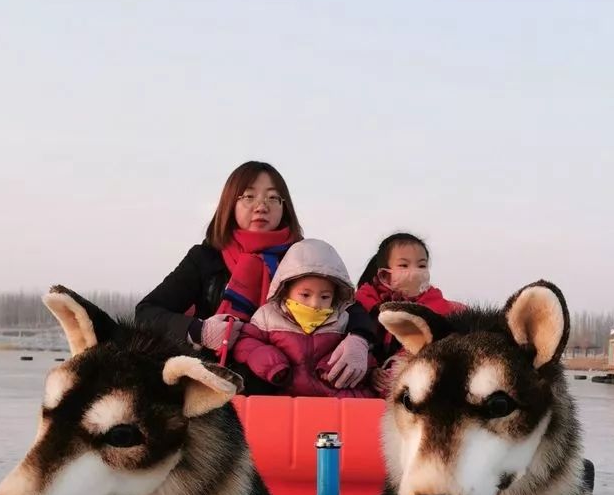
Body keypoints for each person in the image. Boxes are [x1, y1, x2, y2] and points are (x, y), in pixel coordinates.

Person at [136, 161, 373, 389]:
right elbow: (146, 313)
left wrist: (359, 340)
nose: (261, 206)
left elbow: (349, 305)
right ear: (230, 203)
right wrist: (199, 331)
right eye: (249, 196)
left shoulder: (303, 258)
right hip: (216, 387)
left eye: (272, 197)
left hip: (290, 385)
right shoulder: (205, 258)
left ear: (284, 207)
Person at [232, 239, 376, 398]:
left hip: (331, 405)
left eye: (325, 296)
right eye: (305, 295)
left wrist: (369, 373)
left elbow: (361, 361)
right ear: (285, 290)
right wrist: (270, 362)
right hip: (281, 405)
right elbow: (246, 342)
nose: (315, 304)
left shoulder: (341, 320)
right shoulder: (268, 316)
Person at [355, 232, 465, 393]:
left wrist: (397, 371)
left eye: (421, 266)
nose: (414, 272)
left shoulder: (442, 310)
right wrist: (371, 371)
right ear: (385, 274)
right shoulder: (362, 305)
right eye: (404, 266)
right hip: (363, 397)